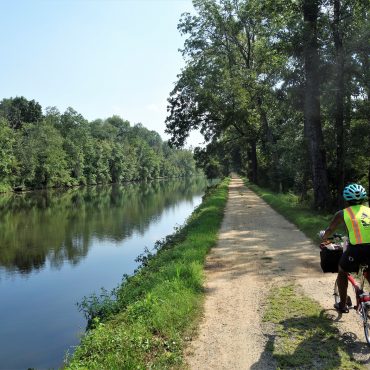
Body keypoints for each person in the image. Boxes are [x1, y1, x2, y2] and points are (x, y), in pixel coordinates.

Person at [319, 183, 370, 313]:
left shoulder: (342, 213)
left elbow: (330, 230)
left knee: (342, 270)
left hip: (357, 250)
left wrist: (323, 237)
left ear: (346, 199)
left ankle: (342, 304)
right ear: (364, 198)